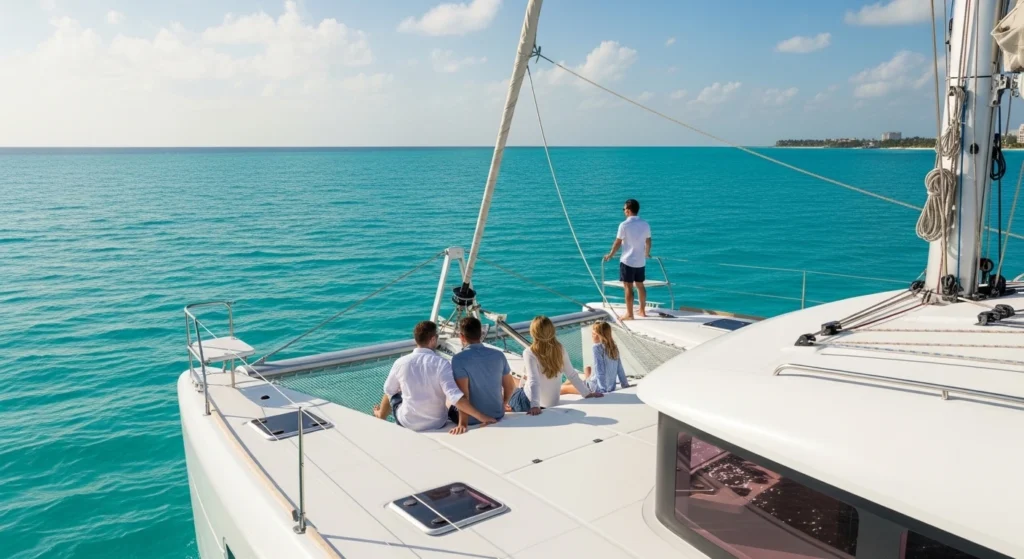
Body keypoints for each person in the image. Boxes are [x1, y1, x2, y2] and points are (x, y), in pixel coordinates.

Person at [373, 320, 495, 433]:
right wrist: (483, 417)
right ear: (432, 339)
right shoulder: (442, 363)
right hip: (437, 422)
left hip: (407, 423)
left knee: (391, 391)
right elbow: (455, 397)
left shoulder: (400, 362)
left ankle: (381, 416)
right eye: (437, 337)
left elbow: (389, 390)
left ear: (416, 340)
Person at [508, 316, 602, 415]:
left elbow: (534, 381)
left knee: (508, 385)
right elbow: (572, 374)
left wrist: (535, 405)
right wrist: (586, 393)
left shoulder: (529, 352)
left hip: (528, 402)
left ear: (533, 333)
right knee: (518, 384)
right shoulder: (560, 349)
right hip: (552, 402)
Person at [448, 316, 516, 435]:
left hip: (472, 419)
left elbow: (463, 395)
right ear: (481, 334)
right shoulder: (499, 355)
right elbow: (510, 386)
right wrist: (503, 405)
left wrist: (463, 423)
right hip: (497, 413)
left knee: (448, 398)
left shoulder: (458, 359)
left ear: (462, 337)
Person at [603, 198, 651, 320]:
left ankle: (629, 314)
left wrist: (611, 254)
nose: (623, 211)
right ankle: (642, 311)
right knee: (640, 285)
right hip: (641, 261)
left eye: (624, 209)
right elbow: (648, 240)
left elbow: (618, 242)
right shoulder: (645, 224)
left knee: (628, 287)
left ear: (628, 211)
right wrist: (647, 253)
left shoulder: (624, 225)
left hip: (628, 261)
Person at [561, 321, 630, 395]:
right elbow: (620, 369)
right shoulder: (613, 347)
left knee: (563, 388)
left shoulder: (597, 347)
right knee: (585, 371)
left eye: (594, 334)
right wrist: (625, 384)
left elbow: (600, 370)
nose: (592, 336)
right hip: (611, 387)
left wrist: (602, 390)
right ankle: (584, 378)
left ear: (601, 336)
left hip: (594, 388)